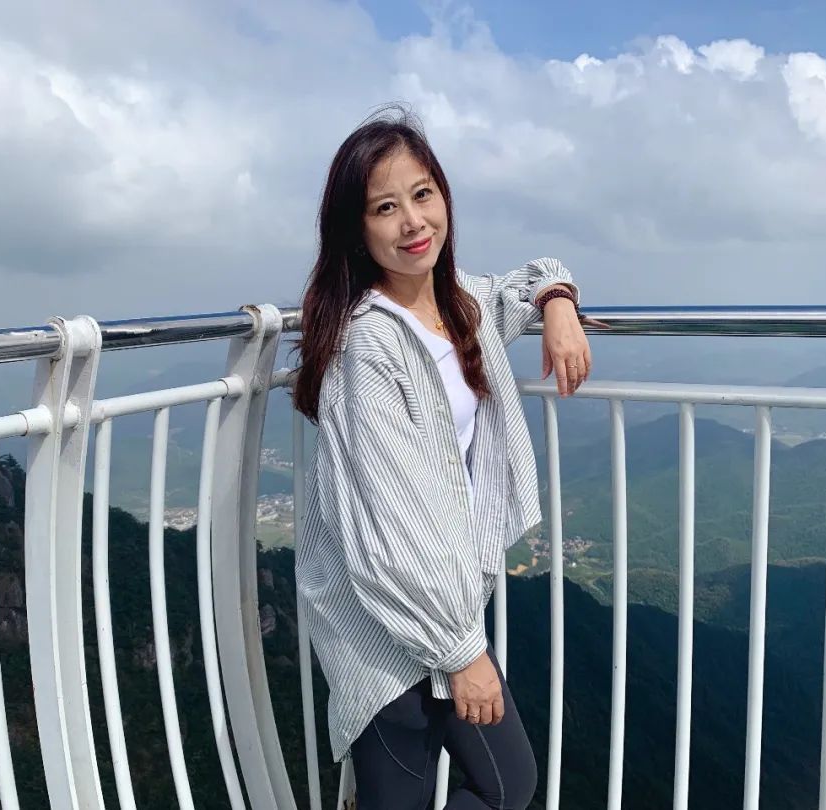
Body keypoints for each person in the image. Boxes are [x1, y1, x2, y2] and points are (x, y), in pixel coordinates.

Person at [292, 106, 599, 809]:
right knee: (498, 786)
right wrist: (463, 653)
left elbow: (534, 276)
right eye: (385, 208)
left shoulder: (459, 304)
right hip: (381, 624)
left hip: (440, 606)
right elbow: (388, 532)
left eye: (423, 194)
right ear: (357, 230)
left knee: (505, 784)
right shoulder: (367, 345)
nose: (412, 222)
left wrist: (558, 302)